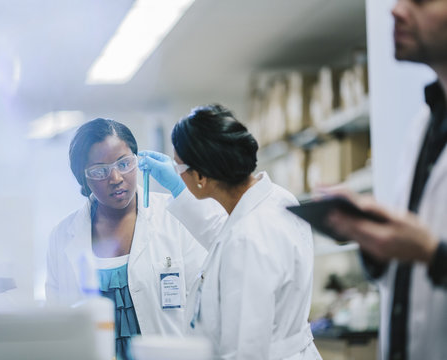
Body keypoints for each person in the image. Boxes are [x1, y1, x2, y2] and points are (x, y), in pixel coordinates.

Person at [139, 104, 322, 360]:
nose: (178, 177)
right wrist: (179, 190)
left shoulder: (247, 238)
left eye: (179, 169)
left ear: (201, 175)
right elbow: (223, 236)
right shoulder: (277, 199)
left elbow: (245, 350)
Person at [323, 1, 447, 359]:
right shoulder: (424, 125)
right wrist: (372, 236)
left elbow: (432, 252)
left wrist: (432, 254)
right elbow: (411, 282)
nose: (395, 10)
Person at [45, 118, 207, 360]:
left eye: (124, 163)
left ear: (138, 161)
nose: (116, 178)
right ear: (83, 177)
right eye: (100, 170)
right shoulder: (62, 236)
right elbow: (56, 324)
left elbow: (204, 308)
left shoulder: (176, 218)